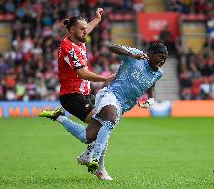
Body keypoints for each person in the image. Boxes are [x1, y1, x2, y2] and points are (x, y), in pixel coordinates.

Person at [40, 43, 168, 180]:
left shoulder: (158, 73)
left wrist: (151, 98)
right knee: (110, 119)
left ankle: (59, 117)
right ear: (150, 54)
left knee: (87, 136)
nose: (162, 61)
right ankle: (95, 160)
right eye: (160, 56)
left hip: (123, 106)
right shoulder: (137, 56)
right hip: (110, 94)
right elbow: (112, 47)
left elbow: (150, 83)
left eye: (165, 58)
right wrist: (131, 54)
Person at [41, 8, 115, 180]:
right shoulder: (69, 48)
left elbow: (87, 28)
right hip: (72, 96)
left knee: (100, 126)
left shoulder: (78, 37)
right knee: (104, 123)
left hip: (85, 93)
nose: (85, 32)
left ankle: (88, 154)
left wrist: (96, 19)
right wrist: (104, 79)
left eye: (85, 28)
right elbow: (81, 73)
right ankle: (97, 167)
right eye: (82, 29)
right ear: (72, 30)